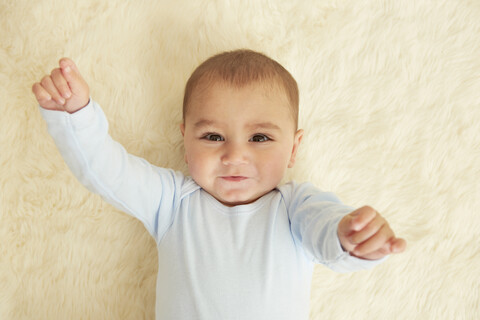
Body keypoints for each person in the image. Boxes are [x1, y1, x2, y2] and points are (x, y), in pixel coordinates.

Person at [32, 49, 406, 320]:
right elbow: (107, 170)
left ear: (294, 148)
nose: (234, 156)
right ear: (185, 140)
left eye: (259, 138)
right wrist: (77, 116)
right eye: (212, 136)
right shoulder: (173, 202)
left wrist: (352, 237)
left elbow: (327, 228)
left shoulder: (295, 208)